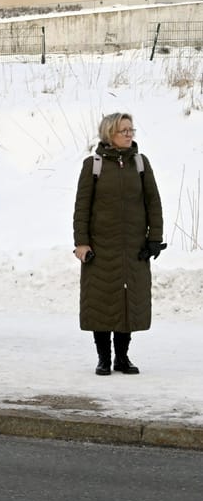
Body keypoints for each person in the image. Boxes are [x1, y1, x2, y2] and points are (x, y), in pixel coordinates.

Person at [72, 112, 164, 376]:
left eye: (131, 129)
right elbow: (82, 208)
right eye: (123, 130)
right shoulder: (93, 165)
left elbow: (153, 203)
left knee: (127, 302)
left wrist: (154, 239)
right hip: (100, 249)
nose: (129, 134)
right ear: (109, 133)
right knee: (101, 301)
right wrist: (81, 243)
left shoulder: (140, 163)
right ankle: (104, 359)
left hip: (134, 248)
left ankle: (122, 358)